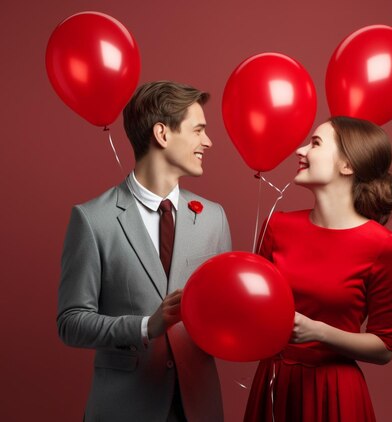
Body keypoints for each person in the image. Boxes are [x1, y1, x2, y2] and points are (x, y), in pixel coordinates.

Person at [57, 81, 231, 422]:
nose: (208, 142)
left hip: (198, 409)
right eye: (198, 130)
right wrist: (144, 327)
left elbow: (221, 317)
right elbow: (70, 322)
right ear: (162, 134)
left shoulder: (213, 217)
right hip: (124, 409)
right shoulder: (93, 220)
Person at [244, 116, 392, 422]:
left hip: (334, 393)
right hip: (274, 385)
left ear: (347, 166)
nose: (300, 150)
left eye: (315, 143)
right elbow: (255, 312)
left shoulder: (384, 246)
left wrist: (318, 332)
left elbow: (384, 347)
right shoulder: (277, 226)